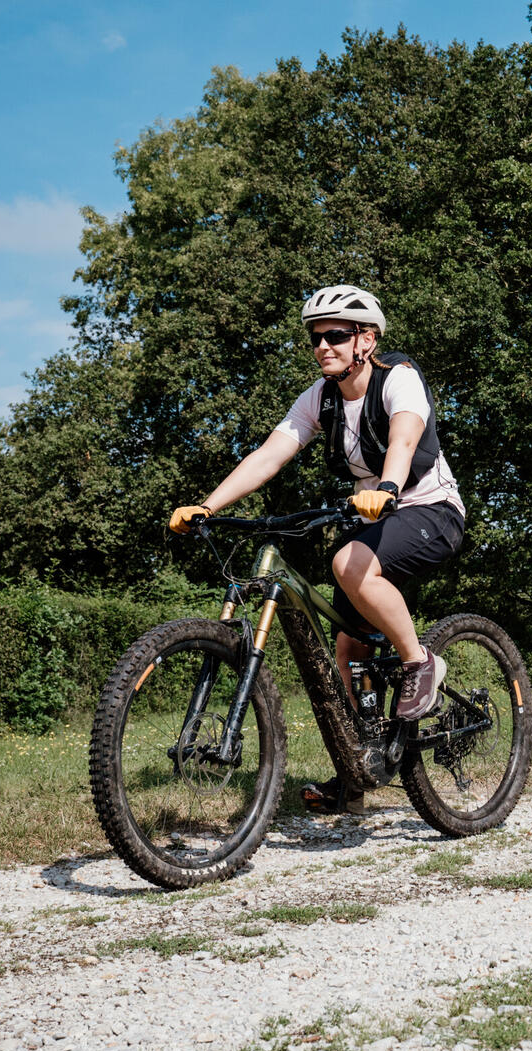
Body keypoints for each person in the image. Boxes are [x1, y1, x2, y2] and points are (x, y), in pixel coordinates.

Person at [169, 285, 465, 813]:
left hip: (429, 511)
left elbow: (402, 439)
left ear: (366, 340)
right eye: (316, 338)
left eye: (335, 336)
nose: (323, 346)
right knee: (348, 651)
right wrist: (207, 506)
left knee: (346, 562)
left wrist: (390, 488)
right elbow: (269, 455)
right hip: (373, 518)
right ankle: (355, 778)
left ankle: (420, 662)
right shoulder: (321, 398)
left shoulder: (399, 379)